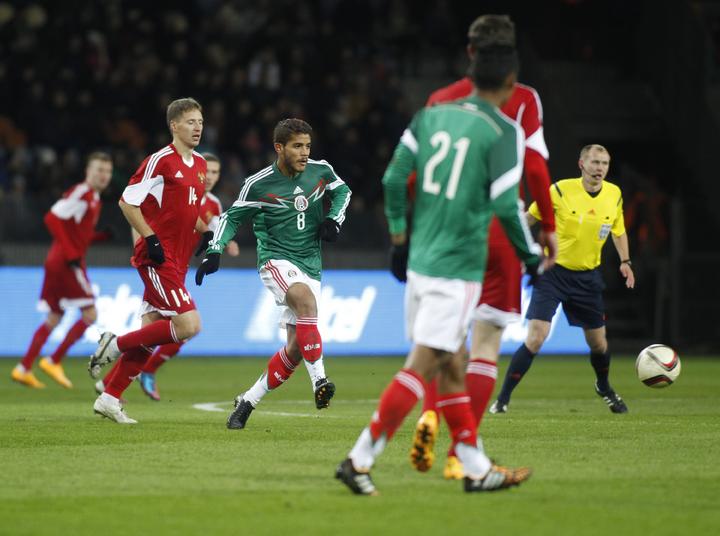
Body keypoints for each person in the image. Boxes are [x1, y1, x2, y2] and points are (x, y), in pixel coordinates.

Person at [335, 22, 546, 496]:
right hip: (458, 268)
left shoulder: (429, 116)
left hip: (421, 260)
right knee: (423, 364)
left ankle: (475, 466)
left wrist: (397, 239)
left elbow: (393, 180)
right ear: (510, 82)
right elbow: (504, 207)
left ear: (470, 73)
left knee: (453, 363)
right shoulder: (504, 131)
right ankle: (358, 458)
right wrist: (530, 257)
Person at [409, 14, 559, 480]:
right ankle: (461, 452)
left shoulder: (441, 98)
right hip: (499, 227)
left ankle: (429, 413)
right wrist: (548, 226)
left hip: (443, 231)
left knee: (441, 341)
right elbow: (535, 167)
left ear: (470, 52)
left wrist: (410, 226)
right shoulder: (524, 99)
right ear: (511, 59)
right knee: (486, 344)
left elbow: (410, 174)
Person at [195, 118, 352, 430]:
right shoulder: (259, 184)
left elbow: (343, 192)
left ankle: (247, 401)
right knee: (306, 303)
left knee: (295, 349)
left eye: (307, 146)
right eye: (297, 146)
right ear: (279, 148)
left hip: (311, 263)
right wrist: (215, 249)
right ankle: (320, 381)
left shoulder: (320, 171)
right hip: (276, 260)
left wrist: (334, 219)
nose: (304, 152)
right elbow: (231, 217)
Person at [87, 97, 211, 424]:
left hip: (179, 261)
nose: (197, 128)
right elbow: (127, 202)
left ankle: (109, 398)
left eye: (200, 122)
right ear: (174, 126)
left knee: (152, 332)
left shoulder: (199, 164)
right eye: (190, 122)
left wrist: (207, 232)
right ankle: (114, 344)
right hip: (157, 258)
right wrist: (150, 238)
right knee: (189, 325)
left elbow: (190, 209)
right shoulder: (160, 161)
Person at [490, 144, 635, 414]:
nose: (599, 168)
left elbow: (618, 230)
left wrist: (625, 262)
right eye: (594, 162)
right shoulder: (559, 191)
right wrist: (511, 247)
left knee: (599, 344)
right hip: (552, 274)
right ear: (581, 164)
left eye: (604, 163)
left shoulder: (614, 194)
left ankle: (604, 386)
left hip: (588, 278)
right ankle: (502, 399)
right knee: (536, 337)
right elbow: (528, 219)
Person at [98, 152, 240, 401]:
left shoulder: (213, 204)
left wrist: (225, 241)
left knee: (151, 332)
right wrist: (143, 244)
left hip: (179, 268)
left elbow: (215, 229)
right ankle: (121, 351)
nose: (209, 177)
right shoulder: (175, 188)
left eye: (215, 172)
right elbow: (137, 210)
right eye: (207, 171)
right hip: (160, 264)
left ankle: (109, 389)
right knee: (188, 325)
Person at [11, 152, 114, 389]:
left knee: (54, 317)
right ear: (88, 172)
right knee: (90, 314)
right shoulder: (82, 193)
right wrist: (71, 254)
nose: (104, 175)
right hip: (67, 262)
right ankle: (54, 360)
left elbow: (76, 234)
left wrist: (100, 237)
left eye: (107, 171)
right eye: (99, 170)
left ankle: (23, 368)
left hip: (57, 260)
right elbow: (52, 218)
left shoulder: (94, 198)